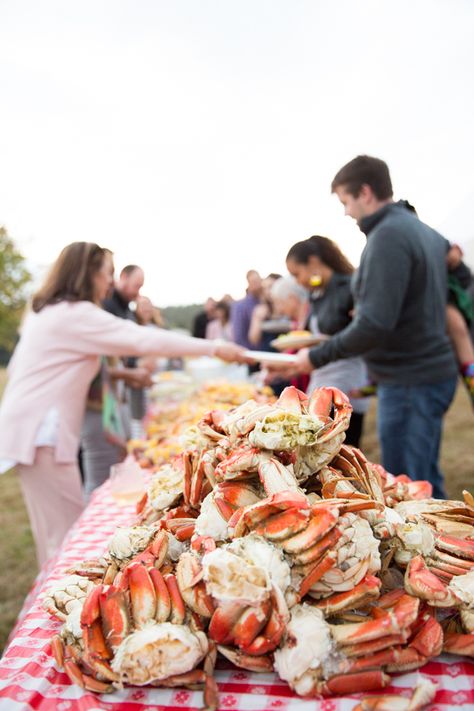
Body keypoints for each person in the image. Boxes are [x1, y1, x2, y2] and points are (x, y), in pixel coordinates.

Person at [0, 242, 248, 566]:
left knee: (53, 531)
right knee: (63, 536)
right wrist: (214, 348)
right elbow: (144, 338)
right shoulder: (76, 314)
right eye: (107, 273)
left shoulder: (51, 310)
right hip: (42, 433)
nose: (109, 281)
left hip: (31, 429)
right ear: (88, 273)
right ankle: (60, 609)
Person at [273, 156, 458, 498]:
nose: (346, 212)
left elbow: (373, 324)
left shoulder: (387, 236)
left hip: (409, 377)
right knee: (423, 474)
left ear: (366, 192)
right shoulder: (423, 231)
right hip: (427, 371)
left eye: (346, 201)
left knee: (410, 485)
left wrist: (313, 358)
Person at [285, 238, 371, 447]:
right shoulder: (317, 294)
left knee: (340, 452)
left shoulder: (349, 287)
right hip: (322, 384)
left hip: (346, 385)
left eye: (297, 274)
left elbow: (359, 336)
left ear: (313, 262)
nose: (297, 282)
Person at [231, 270, 263, 350]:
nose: (257, 285)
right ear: (248, 283)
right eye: (254, 282)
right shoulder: (240, 306)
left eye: (258, 281)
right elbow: (238, 336)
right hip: (251, 354)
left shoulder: (265, 302)